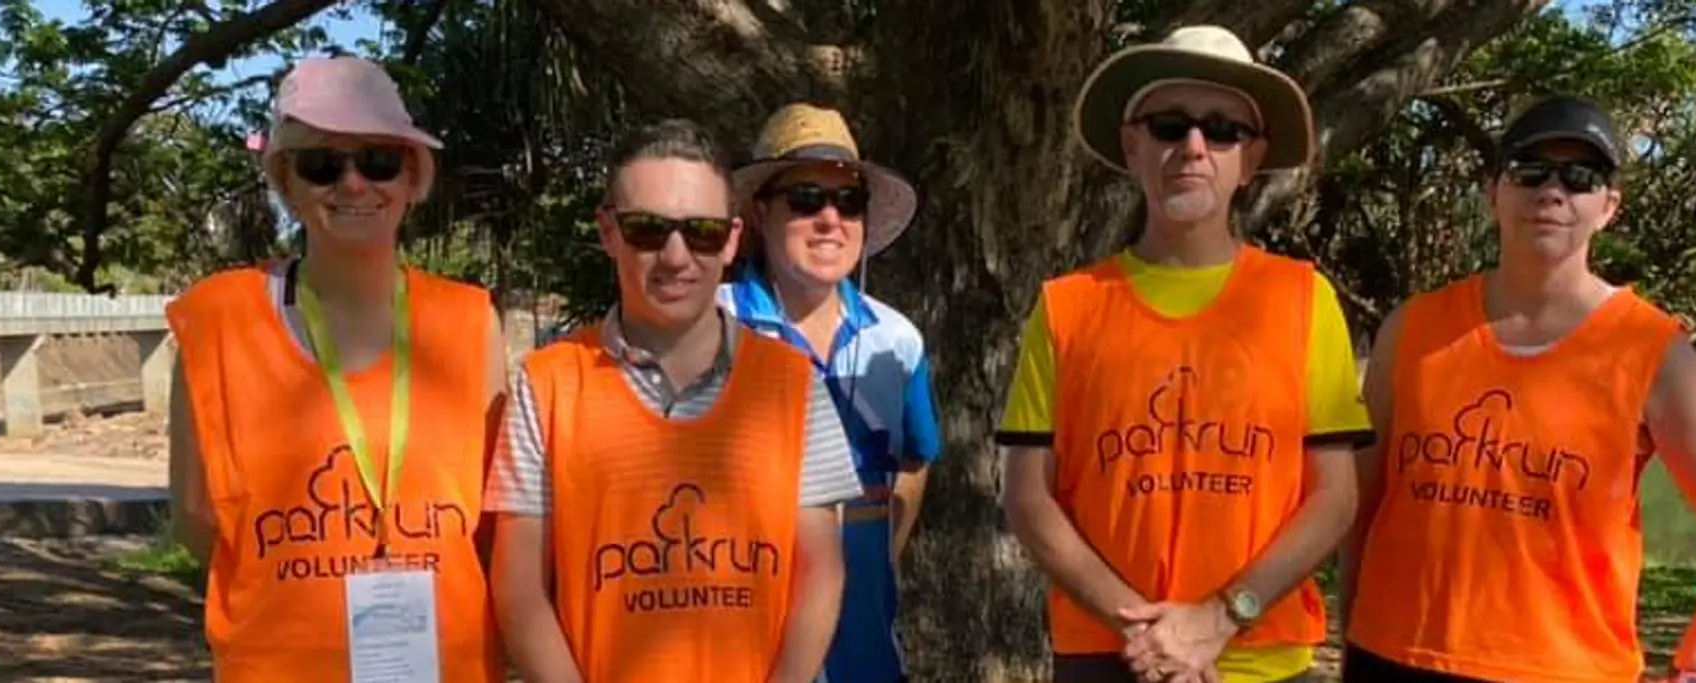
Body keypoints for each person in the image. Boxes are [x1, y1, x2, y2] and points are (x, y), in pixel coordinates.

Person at [1337, 96, 1696, 683]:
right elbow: (1360, 510)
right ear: (1492, 193)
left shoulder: (1651, 351)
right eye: (1530, 171)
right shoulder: (1413, 329)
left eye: (1581, 178)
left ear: (1609, 207)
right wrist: (1352, 633)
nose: (1552, 191)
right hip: (1393, 658)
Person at [996, 25, 1371, 683]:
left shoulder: (1304, 298)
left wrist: (1219, 619)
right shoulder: (1066, 307)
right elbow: (1029, 495)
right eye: (1170, 125)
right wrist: (1147, 628)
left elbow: (1335, 495)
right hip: (1108, 654)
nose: (1193, 147)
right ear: (1132, 144)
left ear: (1250, 160)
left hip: (1258, 656)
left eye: (1222, 130)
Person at [164, 56, 507, 683]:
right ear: (286, 182)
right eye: (323, 165)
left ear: (411, 175)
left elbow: (492, 526)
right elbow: (195, 519)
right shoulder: (218, 320)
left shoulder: (471, 321)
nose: (353, 185)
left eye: (378, 160)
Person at [485, 118, 864, 683]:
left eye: (702, 231)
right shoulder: (546, 384)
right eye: (647, 229)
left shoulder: (793, 385)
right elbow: (518, 589)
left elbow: (821, 572)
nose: (676, 255)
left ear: (733, 240)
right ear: (608, 231)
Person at [721, 102, 942, 683]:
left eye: (848, 201)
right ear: (760, 213)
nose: (829, 218)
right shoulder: (710, 332)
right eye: (805, 199)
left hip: (867, 657)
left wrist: (884, 554)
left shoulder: (899, 341)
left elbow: (916, 457)